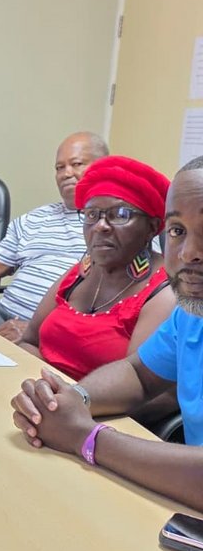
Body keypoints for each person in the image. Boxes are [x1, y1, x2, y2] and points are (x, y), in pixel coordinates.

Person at [11, 155, 203, 513]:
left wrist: (86, 438)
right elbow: (137, 374)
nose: (189, 252)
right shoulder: (192, 314)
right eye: (178, 231)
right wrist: (71, 400)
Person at [0, 132, 109, 340]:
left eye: (76, 164)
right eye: (59, 167)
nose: (65, 173)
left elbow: (113, 305)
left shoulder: (115, 227)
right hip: (1, 313)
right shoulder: (35, 218)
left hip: (52, 333)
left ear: (104, 167)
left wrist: (36, 331)